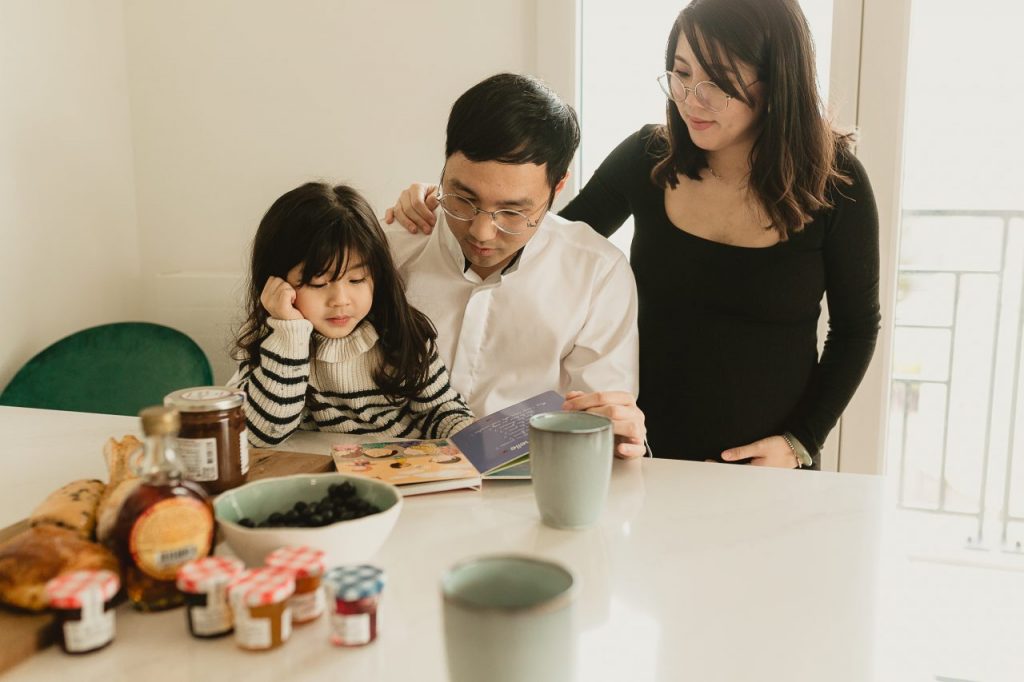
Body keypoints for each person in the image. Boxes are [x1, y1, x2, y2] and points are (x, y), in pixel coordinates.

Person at [386, 1, 880, 469]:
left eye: (717, 83)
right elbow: (542, 238)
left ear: (777, 81)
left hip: (765, 461)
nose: (691, 99)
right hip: (645, 451)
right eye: (681, 73)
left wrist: (801, 441)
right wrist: (449, 201)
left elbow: (856, 329)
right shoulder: (650, 158)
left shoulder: (836, 184)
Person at [384, 73, 647, 458]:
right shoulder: (392, 246)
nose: (481, 232)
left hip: (533, 480)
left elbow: (598, 425)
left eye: (512, 211)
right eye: (463, 199)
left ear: (558, 187)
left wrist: (617, 432)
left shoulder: (597, 274)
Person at [229, 182, 474, 447]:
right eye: (318, 284)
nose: (340, 300)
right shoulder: (268, 341)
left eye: (356, 279)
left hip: (399, 466)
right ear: (275, 283)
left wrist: (473, 438)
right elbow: (260, 434)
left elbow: (440, 411)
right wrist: (290, 336)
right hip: (316, 470)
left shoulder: (400, 333)